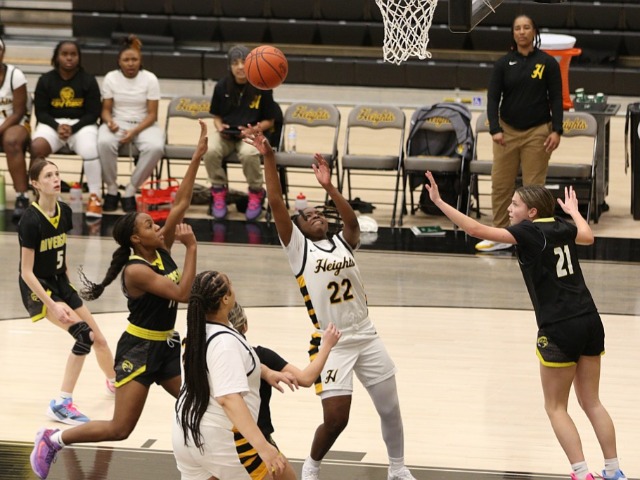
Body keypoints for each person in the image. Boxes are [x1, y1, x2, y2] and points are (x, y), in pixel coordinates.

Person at [29, 121, 207, 480]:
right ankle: (54, 438)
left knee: (199, 402)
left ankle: (208, 459)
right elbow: (182, 294)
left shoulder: (159, 248)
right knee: (120, 428)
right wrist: (191, 249)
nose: (157, 227)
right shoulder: (136, 270)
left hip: (165, 347)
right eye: (149, 226)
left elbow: (181, 202)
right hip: (139, 350)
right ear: (136, 240)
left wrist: (196, 157)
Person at [424, 170, 627, 480]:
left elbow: (475, 229)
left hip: (559, 326)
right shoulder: (560, 226)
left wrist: (439, 201)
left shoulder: (529, 232)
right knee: (592, 401)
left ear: (532, 212)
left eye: (515, 204)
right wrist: (573, 212)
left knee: (556, 407)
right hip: (589, 319)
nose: (509, 208)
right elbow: (588, 237)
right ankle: (613, 471)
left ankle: (582, 473)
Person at [244, 126, 416, 480]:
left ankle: (398, 469)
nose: (317, 216)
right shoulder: (298, 250)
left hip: (366, 334)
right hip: (332, 340)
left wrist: (329, 187)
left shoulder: (342, 242)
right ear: (298, 229)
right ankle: (311, 467)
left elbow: (351, 223)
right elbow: (276, 203)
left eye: (320, 213)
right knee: (337, 419)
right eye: (308, 216)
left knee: (391, 409)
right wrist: (269, 157)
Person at [18, 158, 116, 427]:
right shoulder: (30, 220)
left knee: (100, 339)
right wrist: (53, 304)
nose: (56, 179)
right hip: (39, 288)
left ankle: (114, 381)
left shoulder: (65, 211)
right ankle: (61, 403)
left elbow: (61, 251)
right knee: (84, 335)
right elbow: (26, 272)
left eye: (57, 174)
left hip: (60, 282)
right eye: (48, 176)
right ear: (36, 184)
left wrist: (69, 288)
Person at [173, 272, 297, 480]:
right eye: (230, 284)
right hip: (221, 438)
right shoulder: (224, 343)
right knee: (285, 477)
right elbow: (228, 399)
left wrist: (266, 372)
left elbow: (220, 366)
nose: (233, 286)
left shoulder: (195, 329)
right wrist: (263, 447)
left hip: (185, 430)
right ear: (225, 299)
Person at [478, 14, 563, 252]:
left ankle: (533, 236)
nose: (522, 32)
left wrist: (557, 130)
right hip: (507, 133)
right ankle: (499, 234)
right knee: (501, 184)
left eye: (527, 27)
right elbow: (493, 98)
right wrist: (494, 129)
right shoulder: (503, 64)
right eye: (518, 28)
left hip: (538, 132)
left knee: (534, 189)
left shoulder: (548, 63)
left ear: (535, 32)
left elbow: (557, 98)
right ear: (513, 33)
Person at [227, 302, 342, 446]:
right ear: (245, 326)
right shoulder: (262, 356)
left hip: (217, 439)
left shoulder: (209, 356)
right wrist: (327, 345)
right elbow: (306, 379)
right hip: (257, 440)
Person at [204, 44, 279, 221]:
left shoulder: (262, 86)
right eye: (235, 63)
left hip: (252, 134)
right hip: (226, 135)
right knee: (209, 149)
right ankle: (218, 190)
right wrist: (219, 127)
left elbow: (270, 121)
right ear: (229, 66)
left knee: (248, 153)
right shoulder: (221, 86)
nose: (240, 67)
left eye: (244, 62)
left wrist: (252, 130)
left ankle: (256, 191)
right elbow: (216, 116)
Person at [31, 40, 103, 219]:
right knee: (37, 147)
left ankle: (95, 197)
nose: (69, 58)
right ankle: (45, 196)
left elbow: (93, 113)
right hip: (52, 124)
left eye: (73, 54)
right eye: (64, 54)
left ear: (79, 57)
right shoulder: (45, 80)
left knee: (91, 150)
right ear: (57, 57)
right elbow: (41, 113)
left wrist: (73, 128)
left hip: (82, 125)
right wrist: (57, 126)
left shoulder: (88, 80)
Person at [98, 34, 165, 213]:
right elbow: (105, 110)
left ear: (140, 60)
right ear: (119, 61)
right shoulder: (111, 77)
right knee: (103, 142)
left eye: (134, 59)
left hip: (144, 124)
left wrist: (134, 131)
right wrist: (110, 122)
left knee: (156, 147)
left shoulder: (150, 79)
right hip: (117, 121)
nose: (130, 63)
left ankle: (130, 190)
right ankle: (112, 189)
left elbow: (152, 115)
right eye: (126, 60)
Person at [0, 37, 31, 220]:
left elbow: (19, 112)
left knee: (11, 141)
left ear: (3, 52)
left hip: (15, 122)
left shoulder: (15, 75)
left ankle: (22, 197)